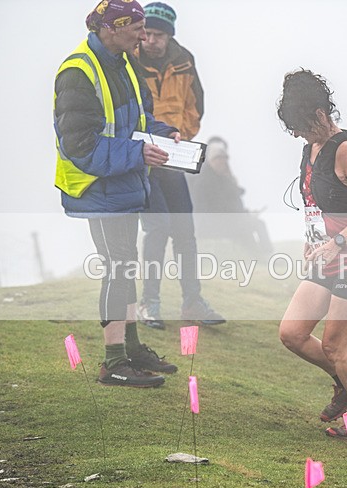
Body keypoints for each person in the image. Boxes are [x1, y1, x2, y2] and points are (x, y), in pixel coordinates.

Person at [54, 0, 180, 387]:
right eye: (137, 28)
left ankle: (131, 347)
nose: (144, 36)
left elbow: (140, 118)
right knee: (118, 267)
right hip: (96, 187)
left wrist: (163, 135)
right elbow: (78, 144)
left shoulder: (122, 58)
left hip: (124, 182)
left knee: (126, 265)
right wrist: (138, 152)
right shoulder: (78, 71)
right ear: (112, 27)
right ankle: (113, 363)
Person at [277, 69, 347, 441]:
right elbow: (314, 205)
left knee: (336, 346)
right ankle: (346, 382)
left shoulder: (346, 149)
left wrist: (337, 243)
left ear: (321, 115)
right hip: (323, 258)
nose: (297, 135)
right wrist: (311, 241)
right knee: (292, 333)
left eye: (301, 126)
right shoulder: (311, 149)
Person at [133, 2, 225, 330]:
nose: (151, 40)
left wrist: (180, 138)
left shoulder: (185, 61)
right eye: (146, 33)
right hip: (140, 161)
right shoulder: (128, 60)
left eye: (158, 34)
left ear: (169, 34)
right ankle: (149, 303)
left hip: (174, 157)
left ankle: (192, 302)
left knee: (185, 229)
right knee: (157, 229)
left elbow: (195, 106)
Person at [187, 136, 273, 254]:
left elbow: (232, 200)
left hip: (222, 221)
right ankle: (266, 256)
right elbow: (219, 206)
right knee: (257, 225)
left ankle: (260, 257)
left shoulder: (221, 177)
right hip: (210, 224)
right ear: (211, 160)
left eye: (224, 159)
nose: (223, 162)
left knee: (247, 228)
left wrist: (244, 214)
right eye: (219, 159)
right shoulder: (205, 181)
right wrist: (244, 216)